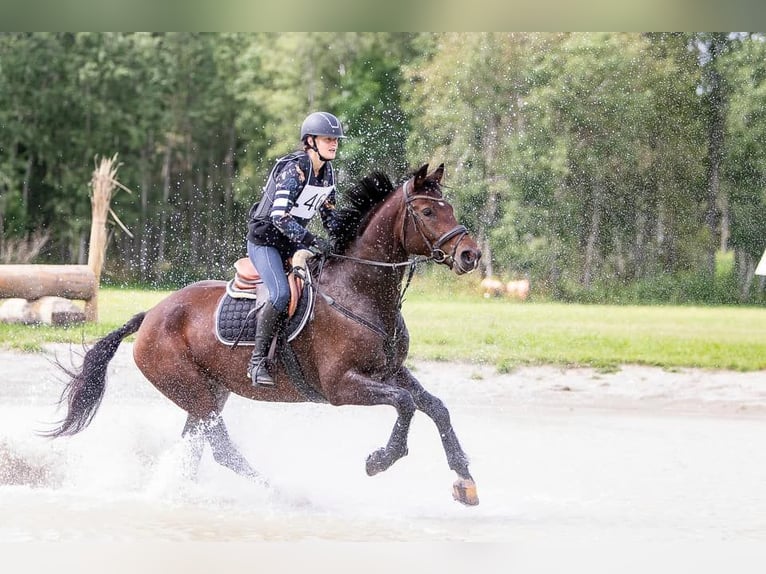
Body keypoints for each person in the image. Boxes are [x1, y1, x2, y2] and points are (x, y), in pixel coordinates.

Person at [245, 111, 345, 387]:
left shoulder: (327, 173)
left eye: (336, 139)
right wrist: (313, 241)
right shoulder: (295, 168)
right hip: (265, 242)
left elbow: (330, 217)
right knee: (279, 295)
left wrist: (346, 237)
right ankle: (257, 362)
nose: (334, 143)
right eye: (328, 138)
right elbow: (278, 217)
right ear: (310, 141)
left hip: (292, 243)